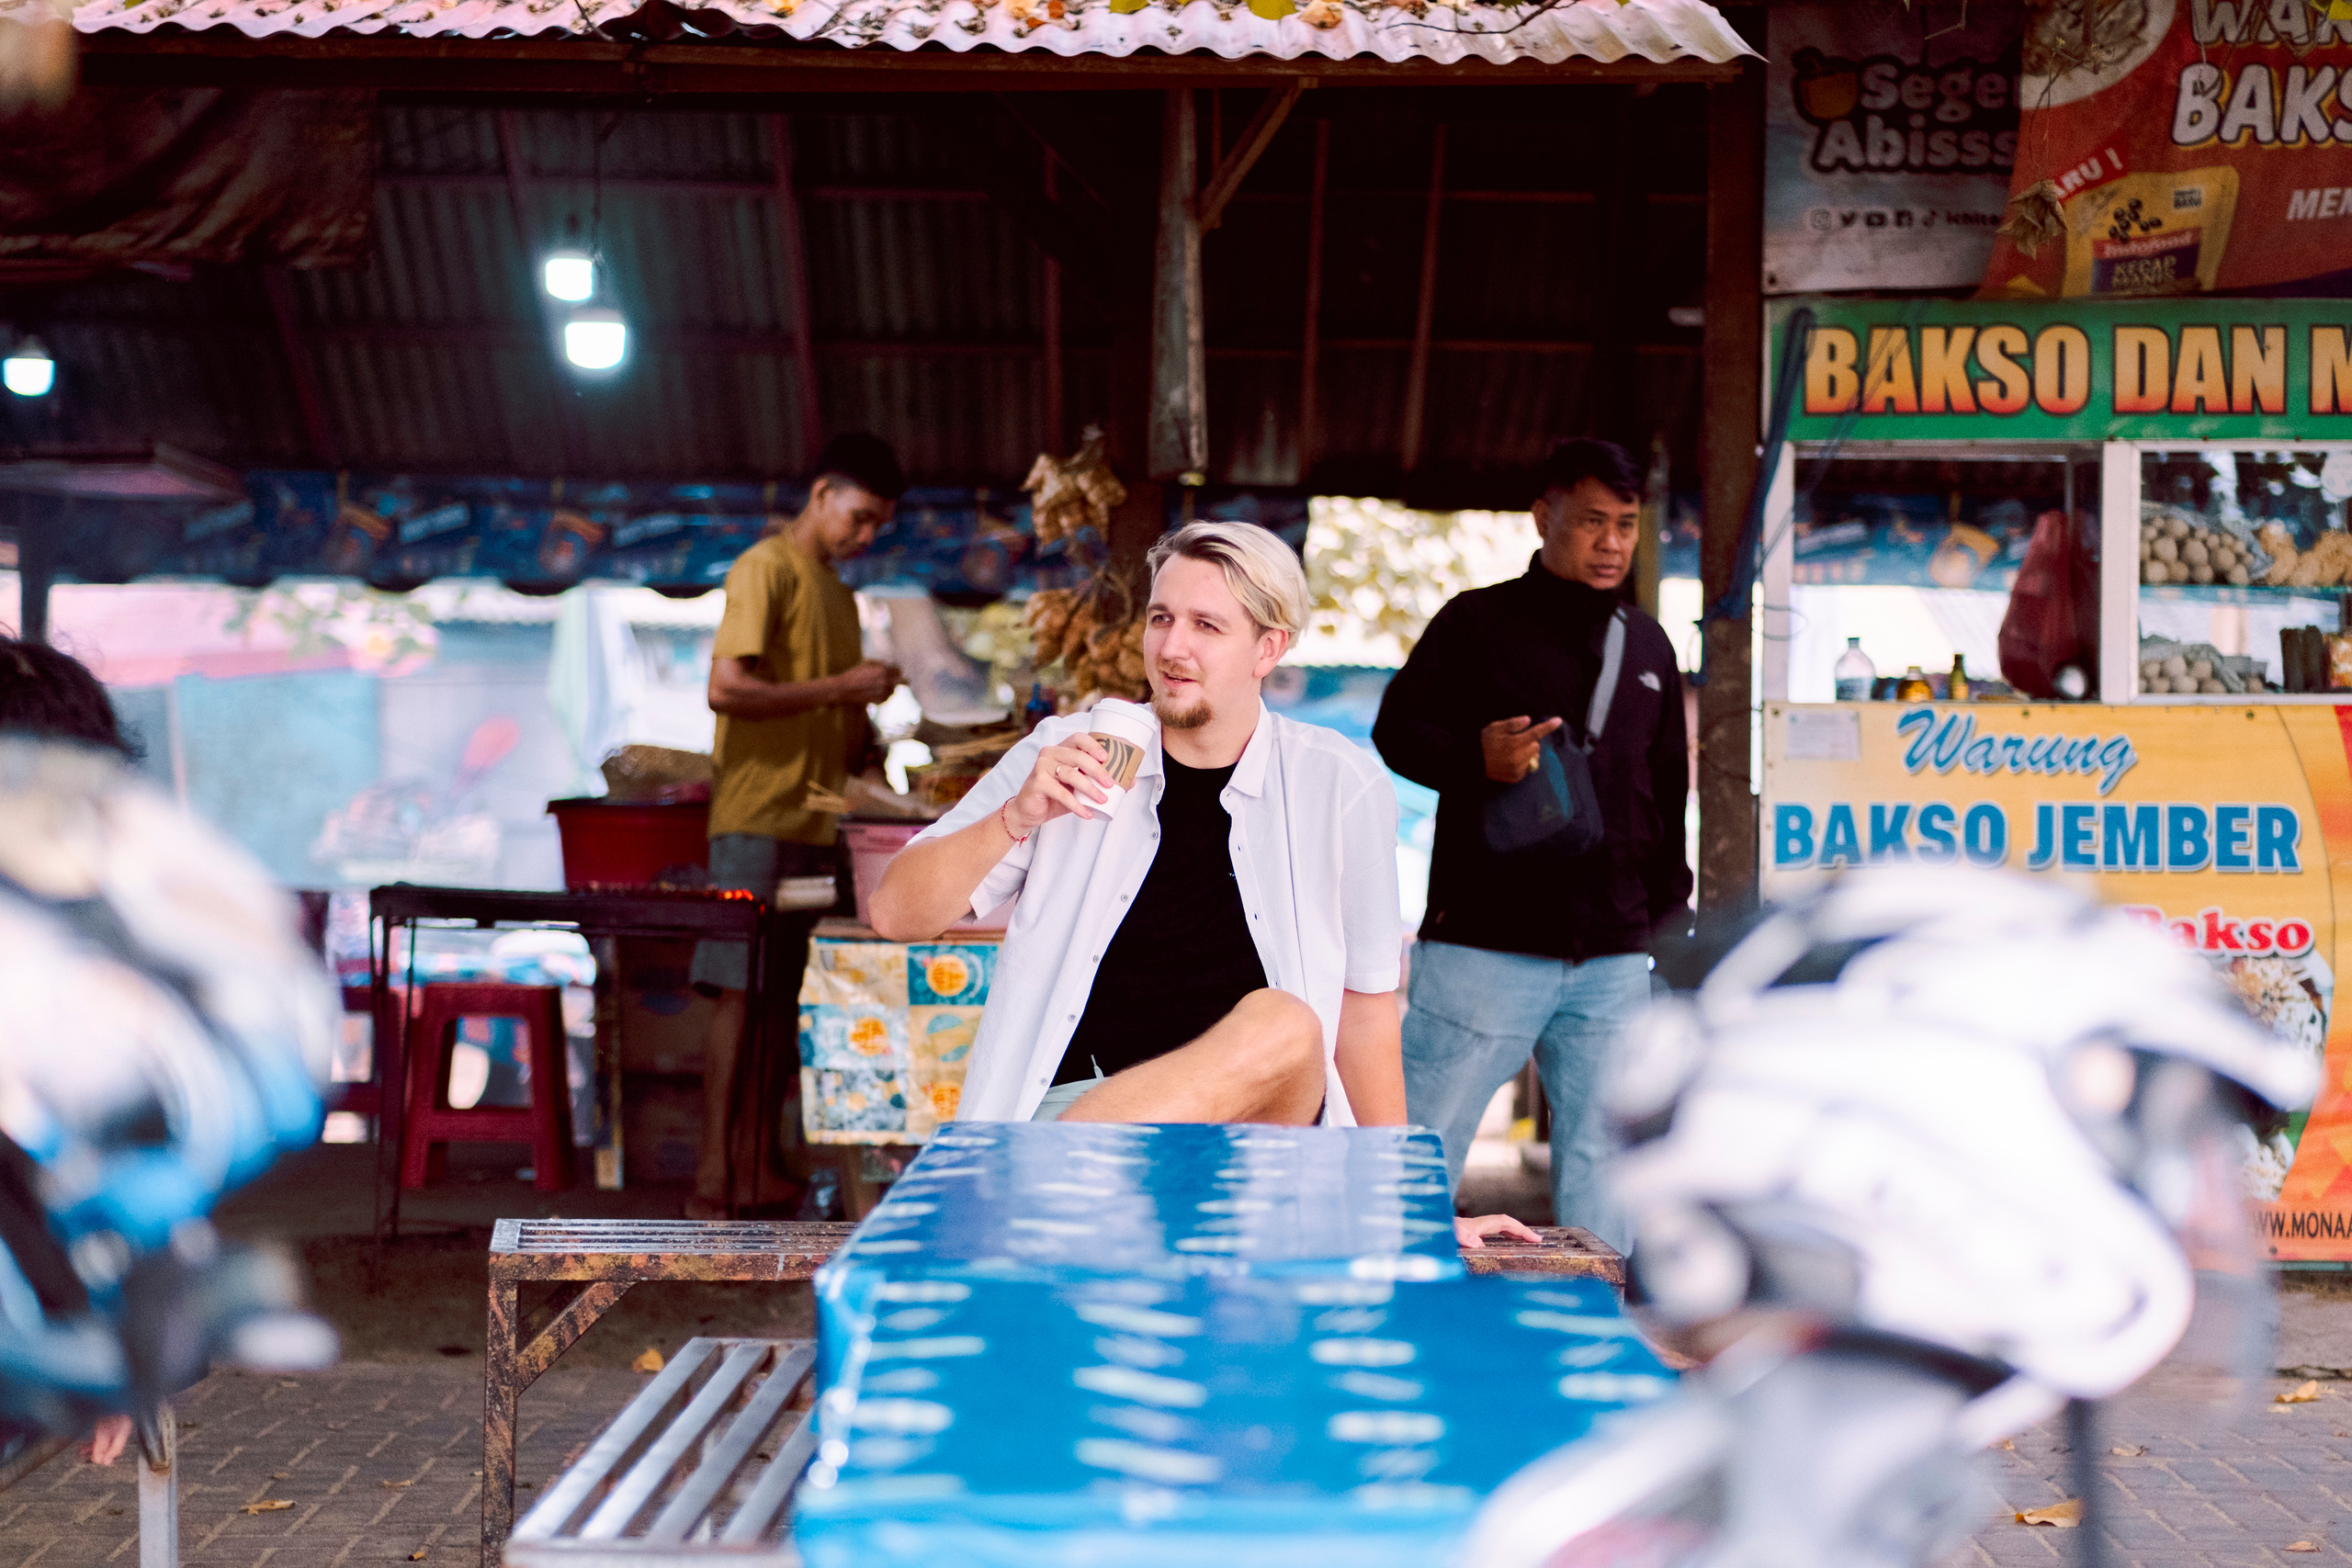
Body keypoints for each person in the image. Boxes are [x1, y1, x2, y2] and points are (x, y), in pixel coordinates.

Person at [868, 521, 1534, 1251]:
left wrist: (1406, 1203)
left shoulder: (1339, 784)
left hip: (1252, 1143)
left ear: (1268, 648)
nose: (1172, 646)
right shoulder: (1068, 753)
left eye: (1207, 625)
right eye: (1162, 618)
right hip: (1080, 1121)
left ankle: (1029, 1197)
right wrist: (1017, 815)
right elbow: (895, 912)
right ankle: (1050, 1187)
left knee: (1285, 1025)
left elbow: (1365, 1013)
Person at [1373, 436, 1691, 1253]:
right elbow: (1396, 730)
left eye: (1625, 524)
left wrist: (1668, 919)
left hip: (1616, 955)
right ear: (1544, 516)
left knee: (1608, 1156)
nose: (1612, 541)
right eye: (1592, 521)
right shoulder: (1475, 623)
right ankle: (1392, 1296)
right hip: (1485, 943)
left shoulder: (1651, 647)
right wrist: (1471, 758)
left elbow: (1668, 792)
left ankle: (1603, 1334)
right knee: (1422, 1143)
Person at [687, 434, 906, 1219]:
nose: (867, 535)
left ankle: (755, 1167)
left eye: (878, 524)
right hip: (754, 816)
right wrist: (842, 685)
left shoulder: (841, 598)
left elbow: (838, 719)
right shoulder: (763, 569)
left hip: (820, 826)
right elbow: (727, 687)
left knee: (781, 1000)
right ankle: (712, 1178)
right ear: (822, 494)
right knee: (739, 996)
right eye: (861, 516)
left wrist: (870, 731)